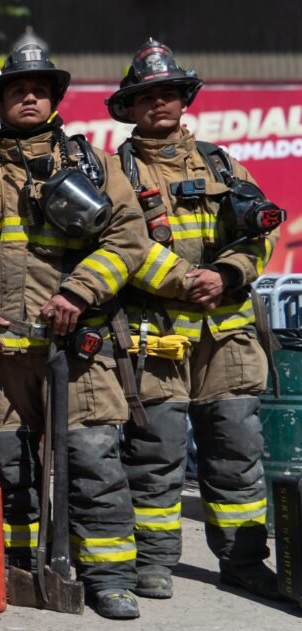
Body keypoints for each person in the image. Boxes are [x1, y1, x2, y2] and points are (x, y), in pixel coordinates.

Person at [0, 43, 148, 619]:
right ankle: (21, 569)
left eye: (40, 89)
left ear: (54, 100)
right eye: (16, 89)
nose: (29, 96)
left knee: (94, 460)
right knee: (9, 466)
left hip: (75, 352)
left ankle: (107, 578)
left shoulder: (92, 164)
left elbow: (128, 237)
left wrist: (78, 292)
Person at [107, 39, 281, 600]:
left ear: (184, 100)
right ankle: (155, 563)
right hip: (154, 338)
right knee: (154, 454)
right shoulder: (116, 171)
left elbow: (261, 234)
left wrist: (228, 274)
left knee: (236, 451)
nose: (160, 103)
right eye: (147, 95)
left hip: (227, 338)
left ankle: (244, 562)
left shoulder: (225, 164)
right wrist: (188, 280)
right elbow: (123, 244)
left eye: (169, 93)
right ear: (130, 107)